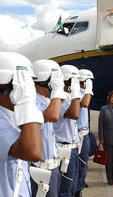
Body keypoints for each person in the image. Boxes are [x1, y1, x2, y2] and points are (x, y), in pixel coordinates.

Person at [0, 52, 43, 196]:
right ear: (3, 87)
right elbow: (32, 152)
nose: (28, 89)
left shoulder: (12, 114)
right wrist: (26, 102)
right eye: (20, 84)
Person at [30, 59, 67, 197]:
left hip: (52, 166)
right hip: (40, 168)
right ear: (45, 81)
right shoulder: (32, 100)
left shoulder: (46, 100)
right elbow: (52, 116)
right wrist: (57, 90)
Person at [53, 65, 81, 197]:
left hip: (73, 148)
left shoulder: (69, 97)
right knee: (65, 189)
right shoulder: (61, 98)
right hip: (63, 149)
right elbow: (75, 113)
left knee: (72, 187)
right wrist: (75, 93)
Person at [75, 69, 94, 197]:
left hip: (84, 133)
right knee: (77, 164)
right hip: (77, 134)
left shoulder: (83, 93)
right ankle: (76, 188)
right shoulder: (78, 94)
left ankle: (79, 187)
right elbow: (85, 104)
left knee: (83, 163)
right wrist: (88, 89)